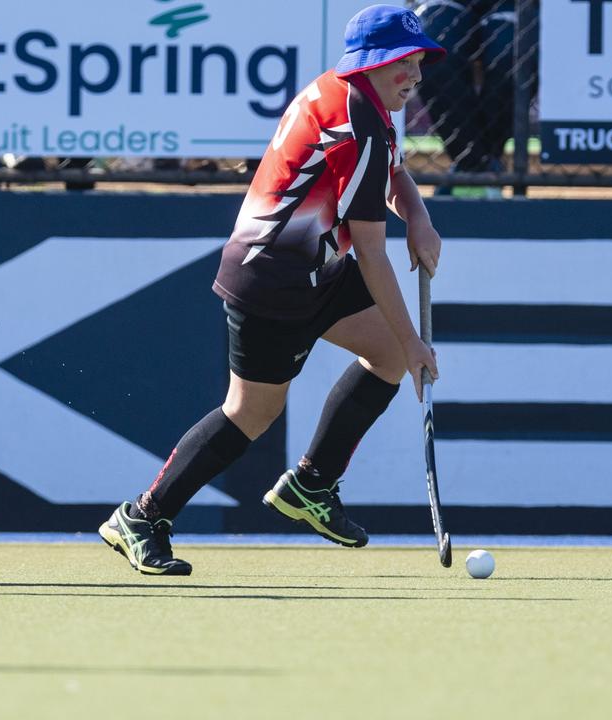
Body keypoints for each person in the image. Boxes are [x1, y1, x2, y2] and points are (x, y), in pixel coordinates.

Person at [98, 5, 445, 575]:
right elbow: (375, 252)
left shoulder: (359, 99)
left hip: (318, 269)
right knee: (251, 413)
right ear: (369, 64)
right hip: (272, 279)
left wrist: (420, 217)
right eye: (401, 63)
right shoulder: (355, 121)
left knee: (380, 353)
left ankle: (312, 485)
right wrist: (414, 346)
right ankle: (142, 516)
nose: (414, 76)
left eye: (418, 63)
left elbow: (395, 171)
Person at [412, 0, 527, 186]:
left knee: (509, 57)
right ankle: (477, 167)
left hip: (516, 3)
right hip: (447, 2)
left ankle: (479, 167)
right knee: (432, 54)